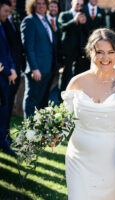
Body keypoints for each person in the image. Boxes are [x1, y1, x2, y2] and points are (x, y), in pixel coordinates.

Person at [62, 28, 115, 199]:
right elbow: (64, 121)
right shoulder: (77, 82)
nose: (105, 58)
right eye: (100, 52)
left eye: (110, 52)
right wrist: (48, 133)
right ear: (90, 52)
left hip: (113, 162)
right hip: (78, 160)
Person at [21, 0, 57, 118]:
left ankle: (39, 131)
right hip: (37, 70)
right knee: (32, 101)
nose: (41, 6)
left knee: (42, 102)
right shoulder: (30, 21)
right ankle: (29, 132)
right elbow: (28, 48)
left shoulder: (46, 20)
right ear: (33, 6)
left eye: (43, 3)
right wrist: (34, 68)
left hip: (48, 69)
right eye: (38, 3)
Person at [3, 0, 25, 140]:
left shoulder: (13, 18)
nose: (13, 3)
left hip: (15, 68)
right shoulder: (3, 21)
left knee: (9, 103)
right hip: (6, 70)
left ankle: (5, 133)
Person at [57, 0, 86, 101]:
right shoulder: (64, 14)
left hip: (80, 53)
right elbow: (61, 27)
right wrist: (74, 20)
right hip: (67, 52)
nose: (79, 6)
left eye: (81, 5)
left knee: (78, 79)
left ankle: (75, 102)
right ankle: (60, 102)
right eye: (77, 3)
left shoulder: (84, 15)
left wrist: (84, 23)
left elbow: (86, 32)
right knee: (65, 78)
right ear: (72, 3)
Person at [0, 0, 17, 155]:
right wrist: (7, 72)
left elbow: (7, 51)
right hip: (2, 76)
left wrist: (12, 69)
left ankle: (3, 142)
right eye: (5, 10)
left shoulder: (2, 25)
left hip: (5, 76)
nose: (8, 14)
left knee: (4, 111)